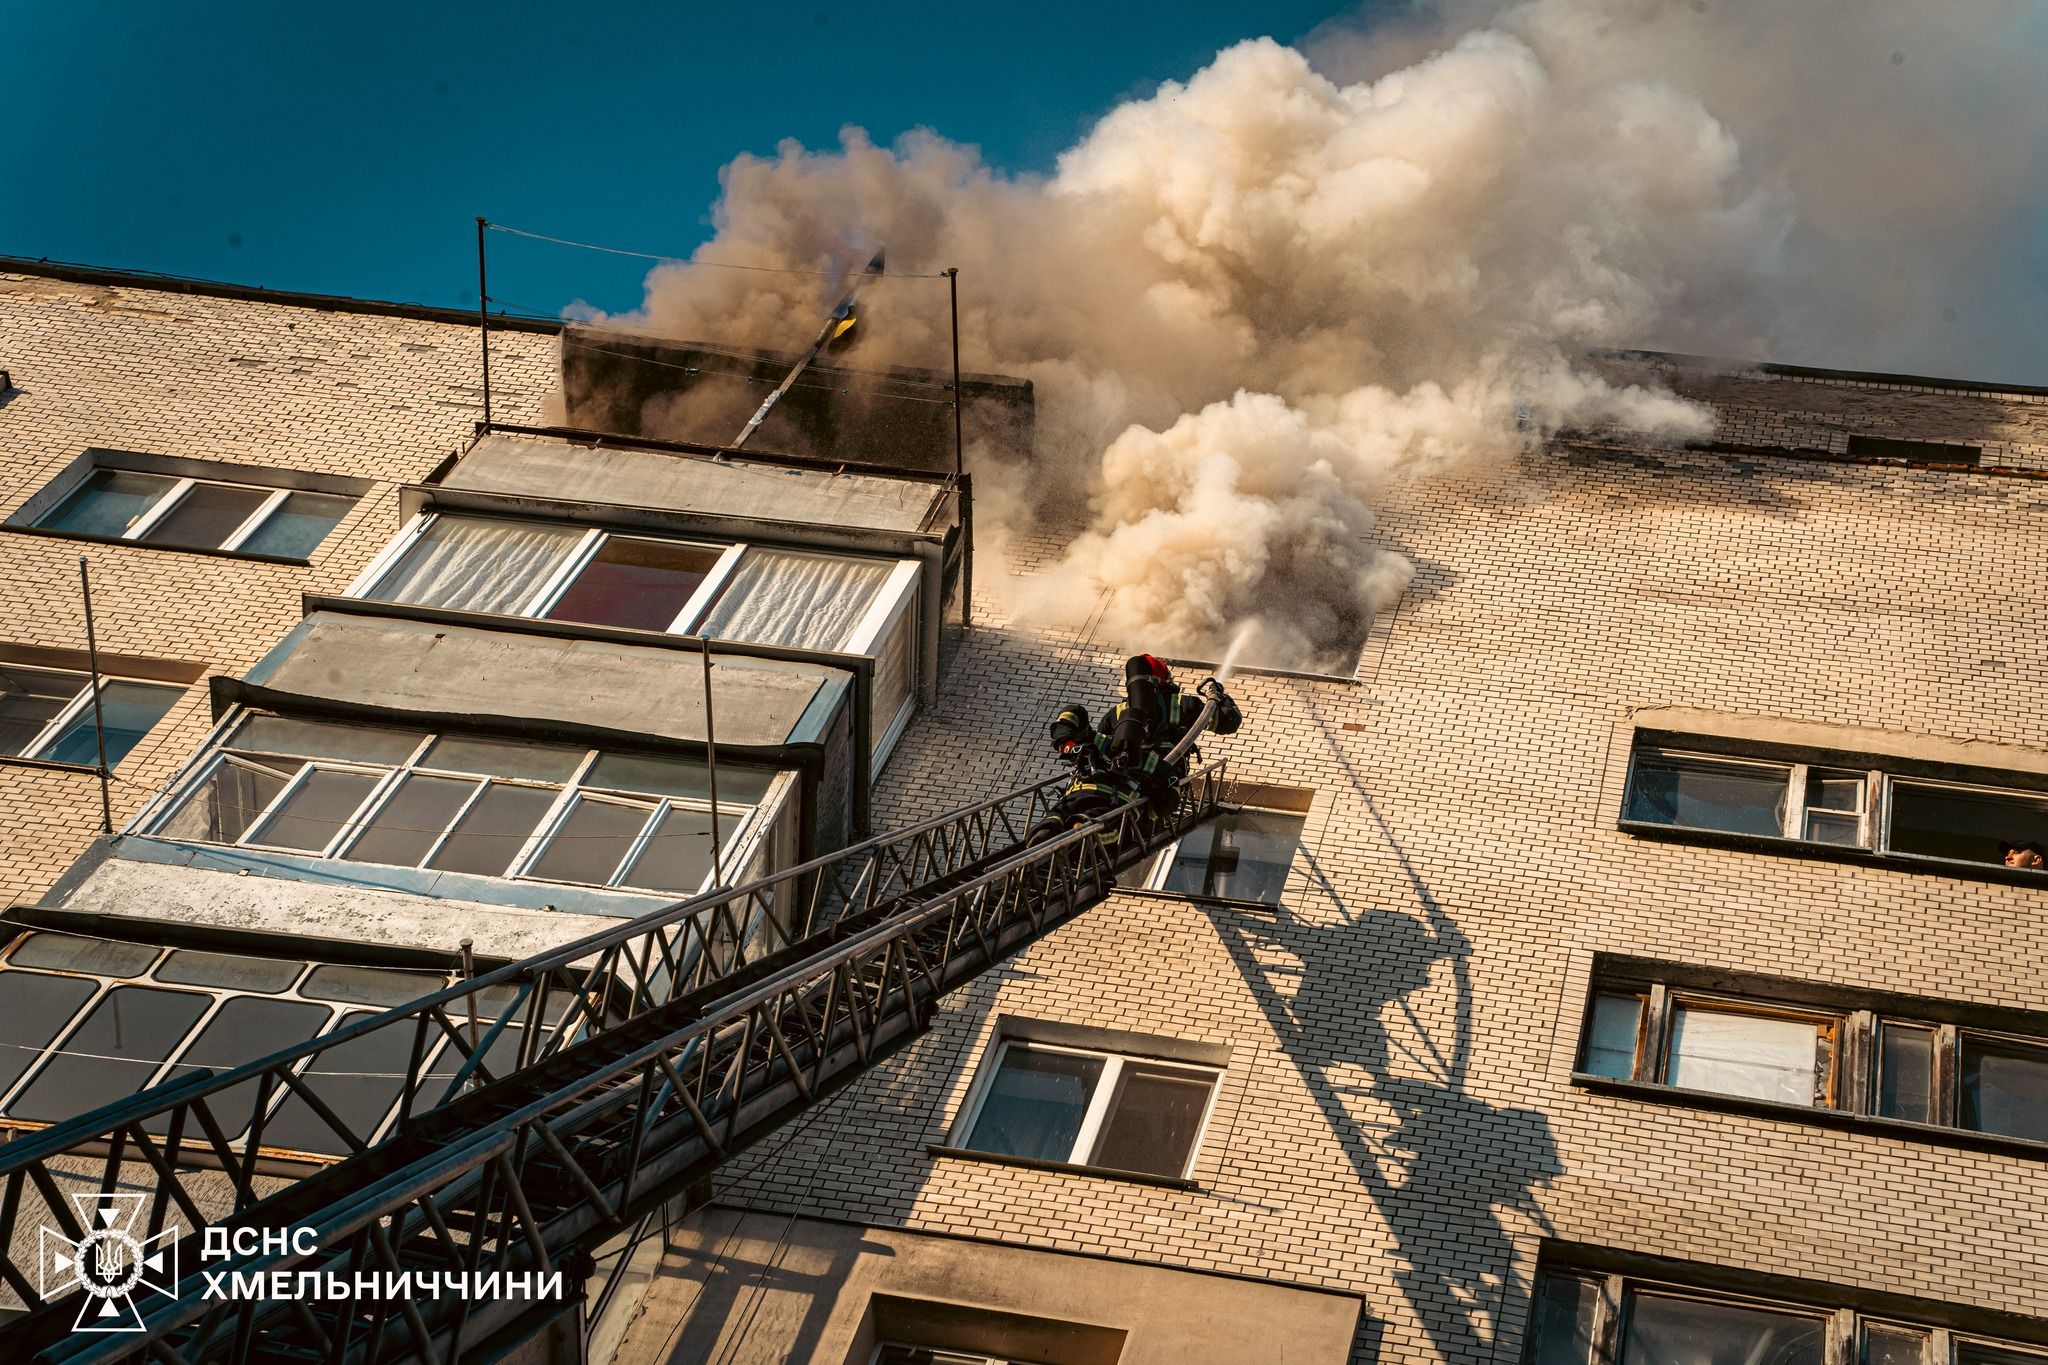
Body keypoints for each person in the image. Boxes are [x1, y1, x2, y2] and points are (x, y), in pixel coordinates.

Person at [1098, 654, 1242, 812]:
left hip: (1123, 781)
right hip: (1165, 780)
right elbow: (1229, 722)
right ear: (1164, 679)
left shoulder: (1117, 713)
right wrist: (1220, 698)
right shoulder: (1183, 704)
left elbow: (1101, 745)